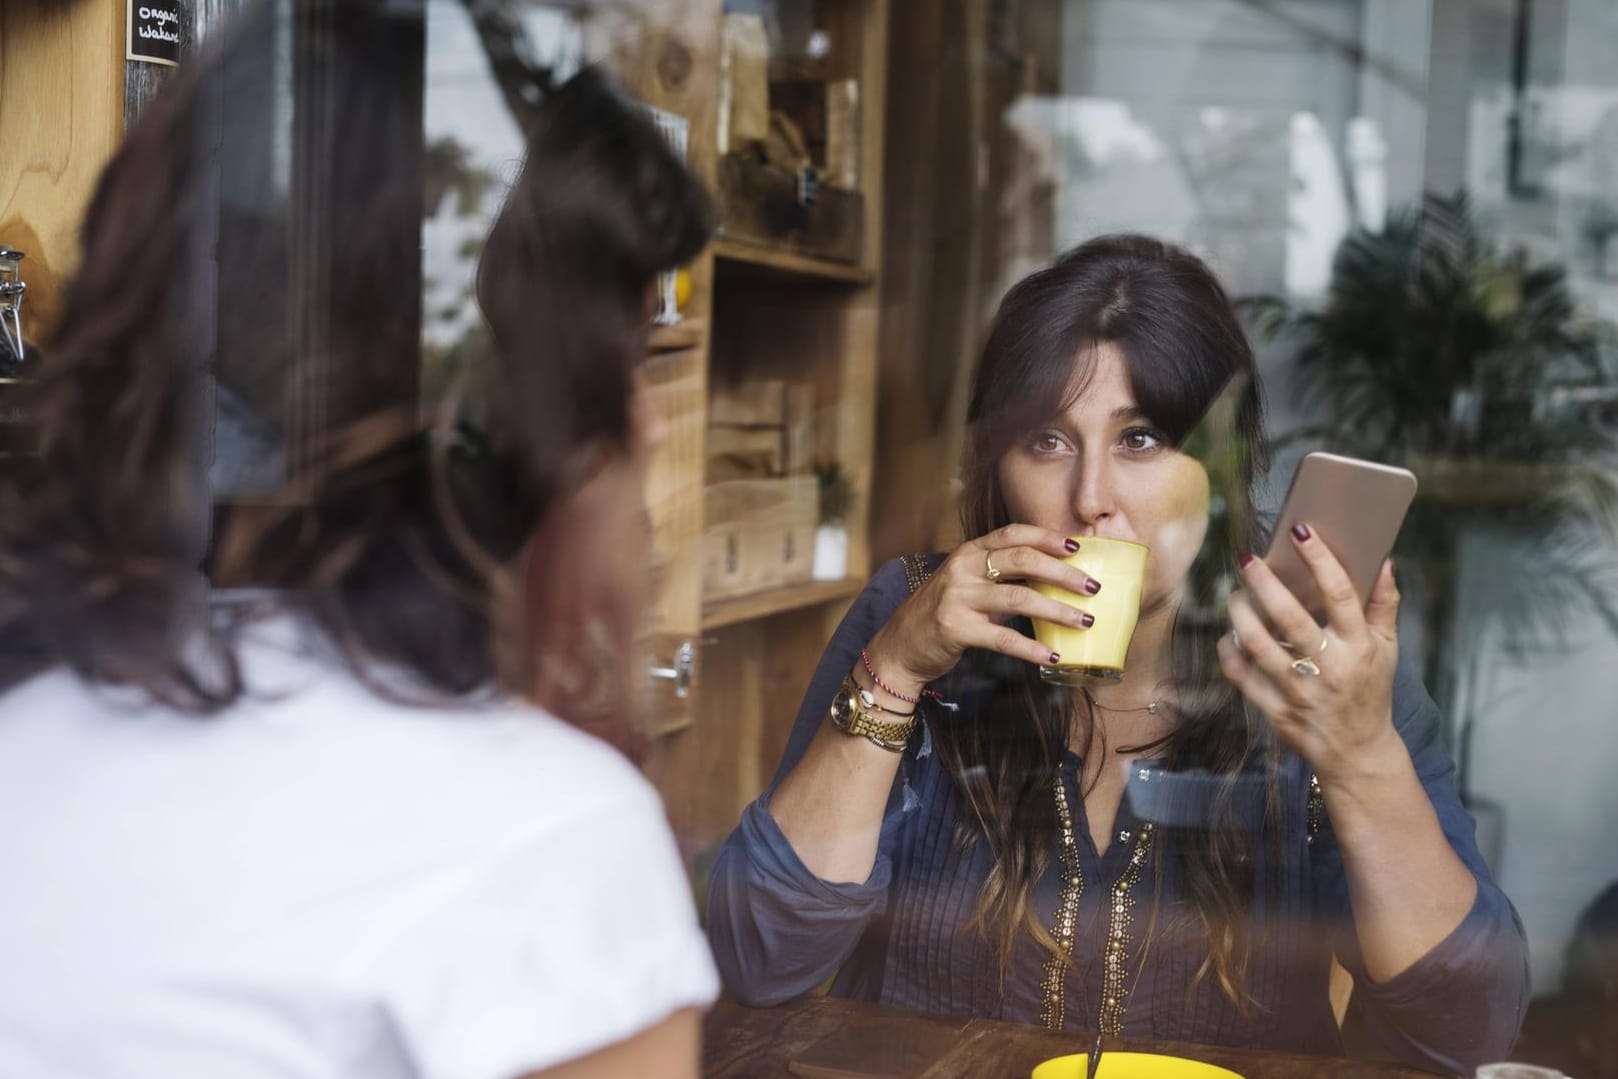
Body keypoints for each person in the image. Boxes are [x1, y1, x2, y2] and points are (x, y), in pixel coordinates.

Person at [0, 4, 717, 1077]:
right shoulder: (547, 839)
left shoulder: (29, 737)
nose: (651, 419)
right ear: (505, 411)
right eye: (619, 358)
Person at [706, 235, 1529, 1075]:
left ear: (1222, 463)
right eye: (1048, 442)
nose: (1090, 499)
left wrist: (1363, 760)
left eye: (1139, 439)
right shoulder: (911, 621)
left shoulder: (1325, 669)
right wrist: (897, 668)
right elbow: (758, 959)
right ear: (999, 469)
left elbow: (1466, 1030)